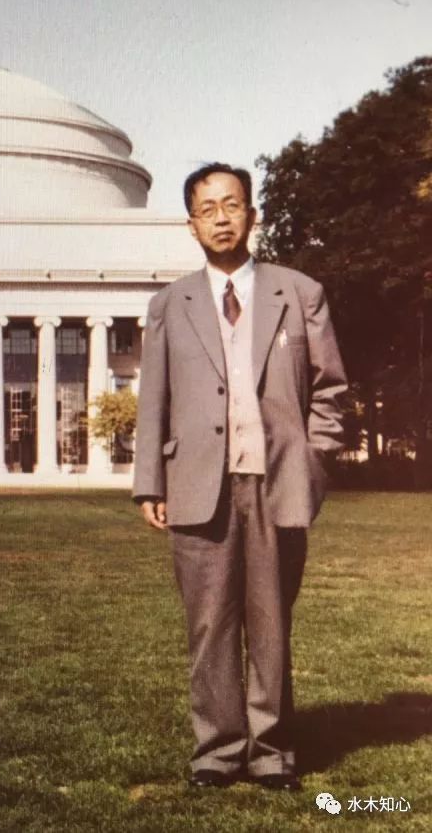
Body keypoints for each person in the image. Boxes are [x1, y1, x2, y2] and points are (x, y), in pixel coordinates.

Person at [132, 162, 347, 791]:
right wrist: (151, 482)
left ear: (253, 214)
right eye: (208, 208)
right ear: (191, 223)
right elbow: (155, 400)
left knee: (271, 623)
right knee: (209, 626)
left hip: (277, 483)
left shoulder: (298, 292)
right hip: (198, 485)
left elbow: (331, 389)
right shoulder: (169, 303)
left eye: (233, 205)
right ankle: (218, 752)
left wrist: (314, 456)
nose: (222, 217)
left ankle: (273, 752)